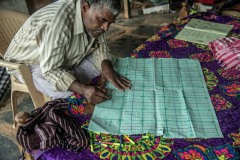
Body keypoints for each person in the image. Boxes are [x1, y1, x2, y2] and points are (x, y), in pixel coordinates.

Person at [4, 0, 131, 105]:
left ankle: (83, 84)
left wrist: (106, 65)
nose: (106, 27)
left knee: (111, 70)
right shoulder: (59, 23)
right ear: (85, 7)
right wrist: (82, 90)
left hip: (64, 55)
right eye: (102, 20)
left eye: (110, 23)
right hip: (32, 62)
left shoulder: (93, 19)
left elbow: (100, 45)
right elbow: (50, 70)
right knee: (75, 99)